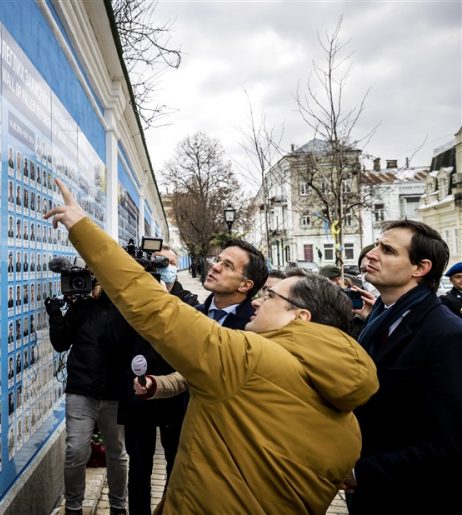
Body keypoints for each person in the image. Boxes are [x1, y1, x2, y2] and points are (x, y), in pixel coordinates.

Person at [45, 179, 379, 513]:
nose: (260, 302)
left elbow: (152, 308)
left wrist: (81, 226)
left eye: (271, 296)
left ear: (300, 317)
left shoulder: (250, 358)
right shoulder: (349, 426)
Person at [346, 221, 462, 513]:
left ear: (420, 268)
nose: (371, 254)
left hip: (410, 497)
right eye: (376, 245)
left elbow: (448, 445)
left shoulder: (447, 334)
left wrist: (361, 473)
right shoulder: (380, 317)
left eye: (387, 250)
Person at [105, 244, 205, 515]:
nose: (166, 268)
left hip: (175, 399)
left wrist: (166, 303)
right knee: (139, 470)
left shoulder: (188, 301)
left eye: (170, 263)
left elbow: (195, 338)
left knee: (176, 467)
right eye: (159, 263)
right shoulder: (133, 301)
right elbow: (113, 341)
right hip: (138, 399)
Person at [46, 268, 128, 514]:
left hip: (114, 393)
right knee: (76, 450)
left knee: (117, 453)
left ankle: (118, 506)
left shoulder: (126, 307)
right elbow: (61, 343)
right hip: (81, 390)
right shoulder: (81, 308)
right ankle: (73, 508)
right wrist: (55, 315)